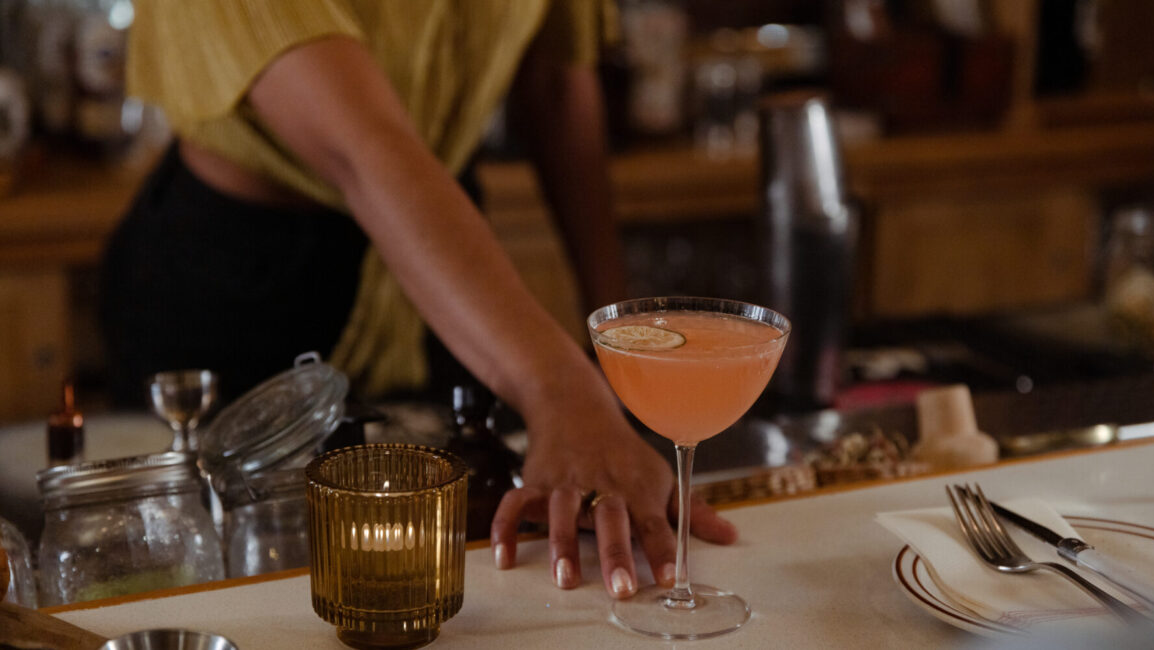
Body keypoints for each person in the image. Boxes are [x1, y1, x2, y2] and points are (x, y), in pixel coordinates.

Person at [100, 1, 736, 600]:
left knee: (457, 589)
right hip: (241, 280)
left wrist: (621, 357)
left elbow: (554, 82)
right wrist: (566, 394)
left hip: (449, 253)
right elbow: (359, 147)